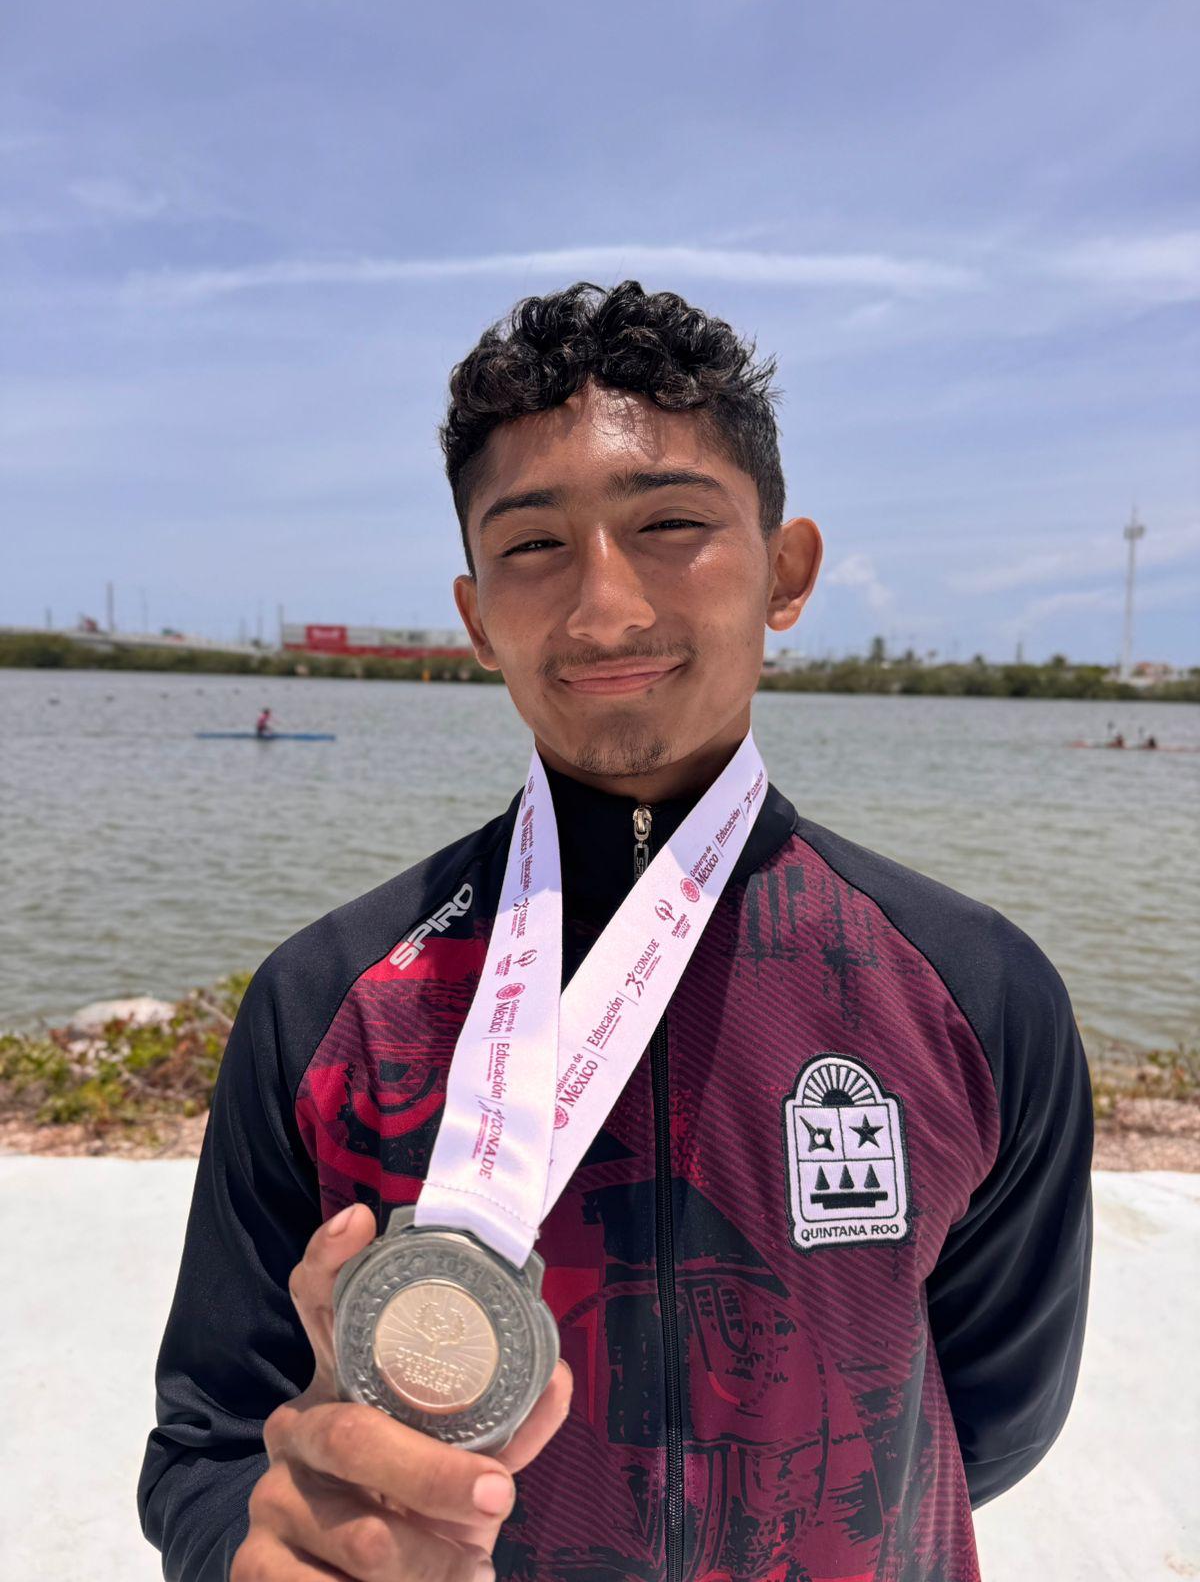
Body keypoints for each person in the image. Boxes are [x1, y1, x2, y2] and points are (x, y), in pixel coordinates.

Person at [137, 282, 1093, 1582]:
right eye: (533, 547)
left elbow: (987, 1415)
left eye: (673, 525)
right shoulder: (332, 1008)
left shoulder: (974, 995)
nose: (604, 609)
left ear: (788, 572)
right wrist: (272, 1548)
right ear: (476, 613)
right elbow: (205, 1444)